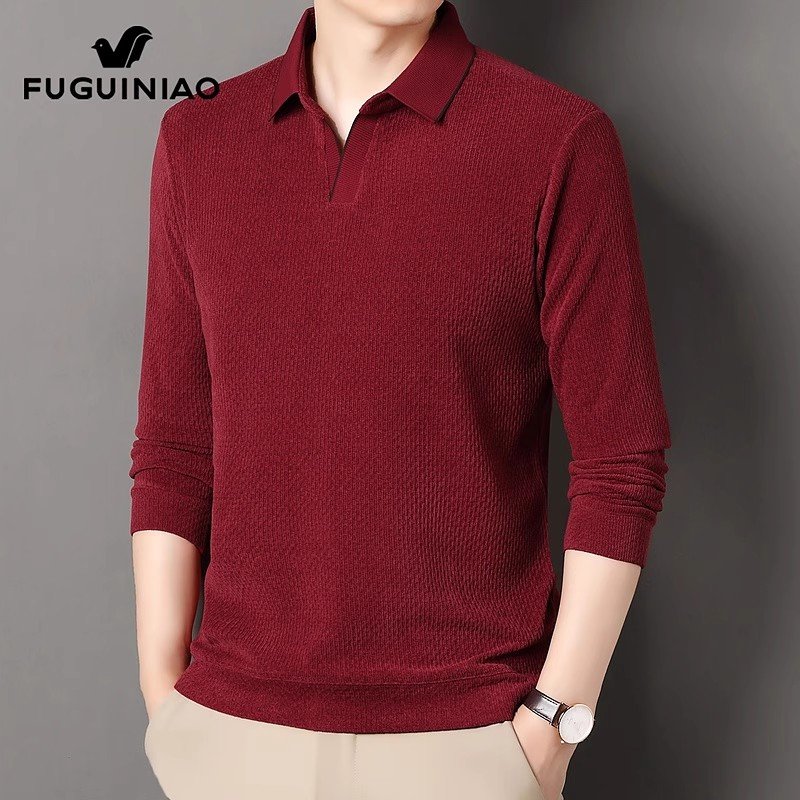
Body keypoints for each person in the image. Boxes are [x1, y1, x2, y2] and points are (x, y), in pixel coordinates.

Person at [129, 2, 671, 798]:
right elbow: (176, 448)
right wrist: (164, 699)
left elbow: (622, 461)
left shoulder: (556, 141)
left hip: (467, 744)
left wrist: (550, 726)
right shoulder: (199, 140)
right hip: (230, 736)